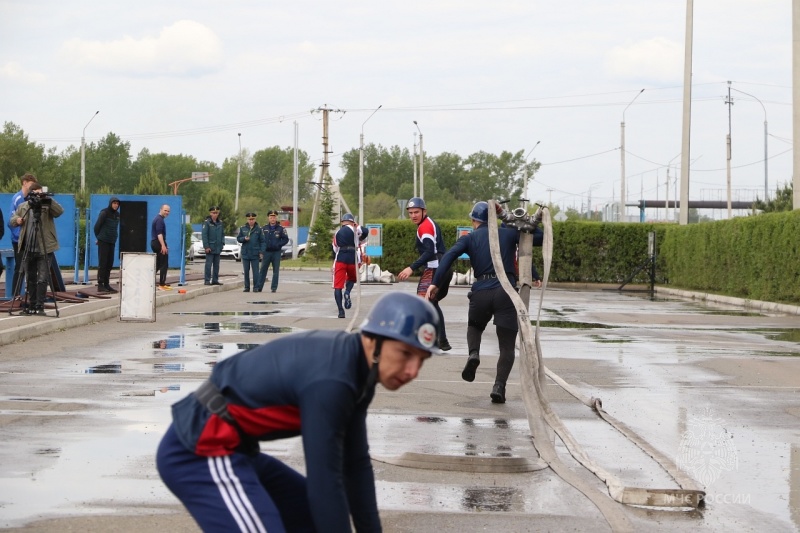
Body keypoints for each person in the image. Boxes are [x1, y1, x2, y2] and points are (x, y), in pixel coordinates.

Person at [156, 291, 440, 532]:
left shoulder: (358, 374)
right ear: (371, 340)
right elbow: (325, 479)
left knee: (311, 519)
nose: (413, 371)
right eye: (405, 353)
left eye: (422, 359)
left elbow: (354, 465)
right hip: (198, 453)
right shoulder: (333, 380)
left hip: (238, 453)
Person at [425, 201, 543, 404]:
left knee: (475, 327)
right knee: (506, 345)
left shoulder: (469, 238)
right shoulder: (507, 233)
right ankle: (499, 387)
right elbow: (536, 237)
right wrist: (521, 222)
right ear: (494, 218)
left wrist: (435, 283)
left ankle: (474, 354)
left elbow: (448, 257)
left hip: (480, 291)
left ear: (473, 220)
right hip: (506, 292)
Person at [396, 197, 453, 351]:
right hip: (444, 267)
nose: (413, 215)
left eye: (416, 212)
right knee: (431, 304)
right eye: (410, 213)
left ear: (424, 211)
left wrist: (411, 268)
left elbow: (429, 252)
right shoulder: (428, 223)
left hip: (435, 268)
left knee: (423, 303)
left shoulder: (424, 227)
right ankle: (442, 341)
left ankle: (417, 340)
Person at [9, 182, 64, 315]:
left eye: (40, 193)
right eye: (36, 194)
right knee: (31, 278)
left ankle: (40, 305)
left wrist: (48, 199)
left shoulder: (47, 206)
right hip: (28, 247)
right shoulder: (24, 206)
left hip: (45, 248)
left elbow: (59, 211)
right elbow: (12, 220)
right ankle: (32, 304)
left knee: (43, 278)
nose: (38, 196)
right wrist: (17, 220)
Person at [7, 173, 38, 298]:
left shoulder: (31, 198)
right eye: (31, 184)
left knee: (31, 268)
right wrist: (19, 235)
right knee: (19, 267)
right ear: (24, 183)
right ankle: (15, 294)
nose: (32, 188)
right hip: (18, 239)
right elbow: (11, 220)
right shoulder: (17, 198)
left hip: (30, 238)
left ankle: (31, 294)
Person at [332, 213, 368, 318]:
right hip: (353, 259)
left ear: (342, 222)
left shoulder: (337, 233)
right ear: (353, 222)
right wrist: (357, 226)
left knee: (337, 286)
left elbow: (335, 248)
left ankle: (341, 311)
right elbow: (365, 232)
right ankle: (347, 291)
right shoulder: (356, 230)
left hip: (341, 259)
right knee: (352, 278)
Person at [256, 209, 288, 293]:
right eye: (271, 217)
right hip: (266, 252)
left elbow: (285, 239)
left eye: (274, 217)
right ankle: (259, 287)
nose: (272, 219)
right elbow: (260, 240)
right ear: (268, 218)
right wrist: (261, 250)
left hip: (276, 252)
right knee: (263, 270)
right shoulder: (264, 228)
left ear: (276, 218)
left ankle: (274, 288)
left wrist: (278, 244)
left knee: (275, 271)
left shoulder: (281, 229)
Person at [93, 197, 121, 293]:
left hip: (111, 242)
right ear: (110, 203)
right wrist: (99, 238)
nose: (116, 205)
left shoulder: (117, 215)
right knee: (103, 263)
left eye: (117, 204)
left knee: (110, 263)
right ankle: (100, 285)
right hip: (103, 241)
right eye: (114, 203)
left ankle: (106, 284)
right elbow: (96, 227)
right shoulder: (104, 213)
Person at [236, 212, 265, 292]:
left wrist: (261, 251)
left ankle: (256, 287)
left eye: (252, 219)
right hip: (245, 253)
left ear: (255, 219)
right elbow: (238, 238)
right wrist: (244, 239)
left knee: (256, 271)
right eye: (249, 219)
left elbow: (262, 241)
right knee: (246, 271)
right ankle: (247, 287)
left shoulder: (259, 229)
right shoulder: (243, 228)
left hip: (255, 253)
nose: (251, 221)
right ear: (247, 219)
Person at [202, 206, 225, 286]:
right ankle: (207, 280)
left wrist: (222, 243)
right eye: (213, 213)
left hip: (218, 247)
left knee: (216, 265)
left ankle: (215, 280)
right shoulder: (207, 223)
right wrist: (206, 246)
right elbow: (204, 235)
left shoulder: (220, 223)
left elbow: (222, 234)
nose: (215, 214)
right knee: (208, 264)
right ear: (210, 213)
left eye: (216, 213)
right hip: (210, 247)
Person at [150, 204, 171, 290]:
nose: (167, 212)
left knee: (158, 264)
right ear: (161, 209)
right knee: (164, 264)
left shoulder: (158, 219)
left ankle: (148, 280)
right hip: (158, 242)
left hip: (155, 242)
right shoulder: (159, 220)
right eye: (165, 210)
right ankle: (162, 284)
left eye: (168, 211)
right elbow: (159, 234)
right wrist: (163, 245)